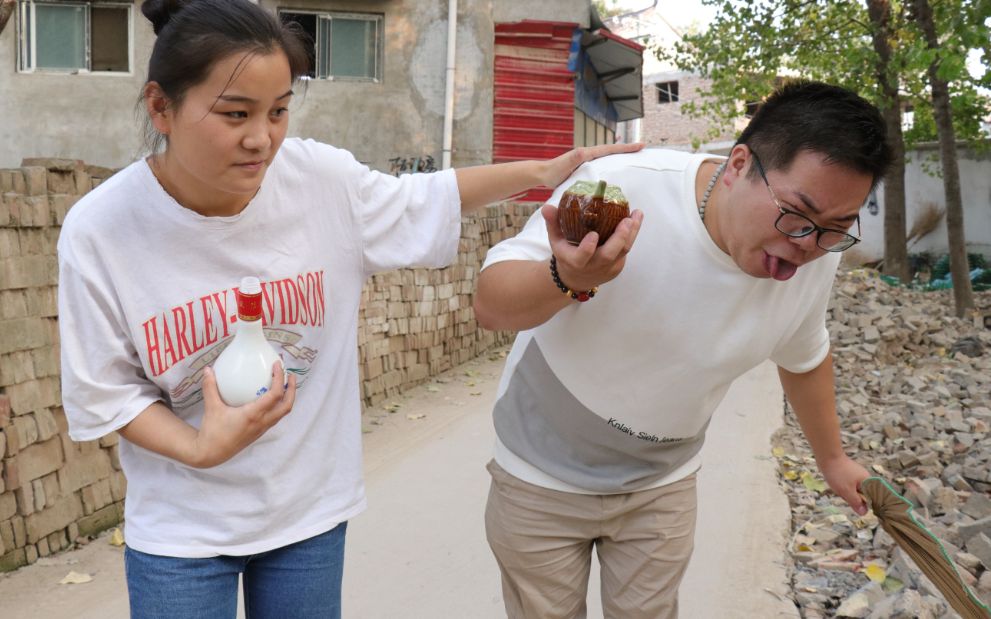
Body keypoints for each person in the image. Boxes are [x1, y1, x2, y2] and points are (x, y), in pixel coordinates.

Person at [55, 1, 639, 617]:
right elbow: (107, 391)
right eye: (235, 114)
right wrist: (200, 448)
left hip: (308, 515)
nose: (262, 138)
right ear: (160, 107)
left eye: (279, 111)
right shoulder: (103, 229)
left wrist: (544, 171)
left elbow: (425, 196)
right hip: (180, 531)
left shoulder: (319, 181)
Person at [474, 80, 893, 618]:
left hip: (660, 485)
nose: (807, 246)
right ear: (739, 164)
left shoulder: (819, 253)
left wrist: (832, 460)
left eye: (835, 229)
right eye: (796, 214)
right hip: (539, 474)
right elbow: (491, 306)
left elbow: (805, 354)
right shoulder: (623, 189)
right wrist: (566, 276)